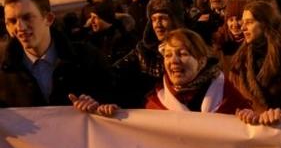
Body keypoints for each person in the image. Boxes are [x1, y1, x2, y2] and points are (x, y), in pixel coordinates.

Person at [72, 29, 250, 116]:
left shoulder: (229, 95)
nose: (174, 60)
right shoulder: (153, 101)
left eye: (182, 53)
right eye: (168, 55)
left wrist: (258, 119)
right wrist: (106, 115)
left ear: (201, 61)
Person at [1, 0, 116, 107]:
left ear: (49, 19)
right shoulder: (3, 69)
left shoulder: (89, 57)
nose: (20, 27)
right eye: (12, 21)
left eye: (27, 18)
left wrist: (99, 105)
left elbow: (117, 101)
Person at [230, 1, 281, 116]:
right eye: (243, 22)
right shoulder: (239, 62)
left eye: (249, 22)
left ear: (265, 24)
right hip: (249, 129)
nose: (243, 28)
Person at [114, 0, 183, 107]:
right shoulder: (142, 49)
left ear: (175, 21)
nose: (158, 25)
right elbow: (116, 71)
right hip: (152, 110)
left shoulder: (190, 49)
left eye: (163, 18)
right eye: (154, 19)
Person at [212, 0, 246, 72]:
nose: (235, 24)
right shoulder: (219, 42)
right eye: (231, 20)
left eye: (239, 19)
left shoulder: (252, 42)